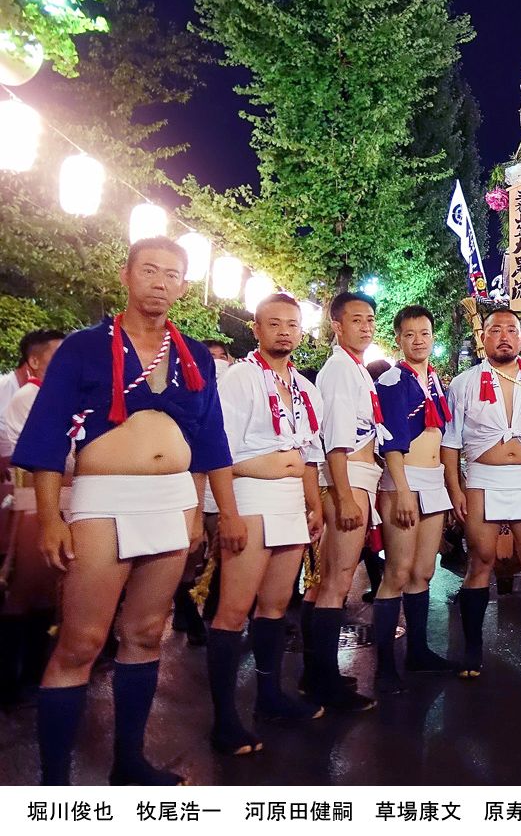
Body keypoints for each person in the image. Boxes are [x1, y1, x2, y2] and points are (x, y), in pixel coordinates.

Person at [13, 236, 237, 785]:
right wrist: (51, 518)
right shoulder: (84, 347)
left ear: (183, 286)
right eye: (149, 270)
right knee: (82, 642)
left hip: (172, 499)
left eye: (172, 274)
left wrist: (206, 511)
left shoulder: (193, 354)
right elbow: (47, 435)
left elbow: (209, 438)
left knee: (145, 632)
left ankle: (129, 762)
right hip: (104, 498)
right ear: (126, 275)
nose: (160, 282)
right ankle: (54, 783)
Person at [205, 294, 326, 755]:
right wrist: (227, 513)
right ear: (256, 328)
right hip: (251, 498)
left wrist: (314, 505)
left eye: (292, 324)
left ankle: (270, 696)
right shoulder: (239, 378)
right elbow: (219, 449)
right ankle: (224, 719)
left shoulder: (305, 386)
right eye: (273, 323)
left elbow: (309, 456)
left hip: (290, 500)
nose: (284, 331)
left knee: (275, 605)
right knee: (233, 610)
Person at [442, 308, 521, 677]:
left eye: (512, 330)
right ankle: (472, 650)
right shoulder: (463, 383)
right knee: (480, 561)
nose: (504, 336)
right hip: (482, 478)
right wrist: (455, 487)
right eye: (496, 330)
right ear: (483, 337)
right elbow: (450, 442)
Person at [302, 291, 388, 713]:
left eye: (370, 319)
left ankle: (315, 675)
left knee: (327, 582)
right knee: (335, 583)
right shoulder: (339, 370)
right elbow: (336, 440)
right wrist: (344, 496)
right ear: (336, 325)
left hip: (356, 478)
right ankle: (325, 683)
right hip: (348, 478)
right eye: (356, 319)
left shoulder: (354, 369)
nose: (366, 326)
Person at [373, 306, 456, 692]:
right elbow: (390, 440)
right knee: (397, 572)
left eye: (424, 333)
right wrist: (403, 490)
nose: (418, 340)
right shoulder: (392, 379)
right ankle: (384, 666)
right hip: (403, 482)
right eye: (409, 334)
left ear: (433, 336)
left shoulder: (434, 380)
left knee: (423, 571)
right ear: (399, 339)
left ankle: (419, 653)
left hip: (434, 480)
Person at [0, 330, 65, 709]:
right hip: (33, 500)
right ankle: (10, 681)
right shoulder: (29, 397)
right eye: (59, 355)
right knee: (24, 591)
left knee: (45, 593)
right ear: (35, 362)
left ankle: (33, 673)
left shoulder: (61, 396)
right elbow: (55, 455)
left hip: (58, 499)